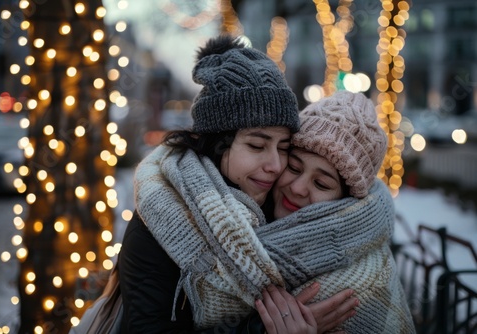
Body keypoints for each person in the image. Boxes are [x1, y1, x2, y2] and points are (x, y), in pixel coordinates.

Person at [120, 35, 361, 333]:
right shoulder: (159, 222)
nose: (275, 165)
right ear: (219, 143)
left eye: (284, 147)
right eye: (257, 146)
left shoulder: (277, 206)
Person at [257, 91, 416, 333]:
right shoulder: (246, 214)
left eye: (321, 184)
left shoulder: (355, 289)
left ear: (345, 200)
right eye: (293, 167)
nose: (298, 188)